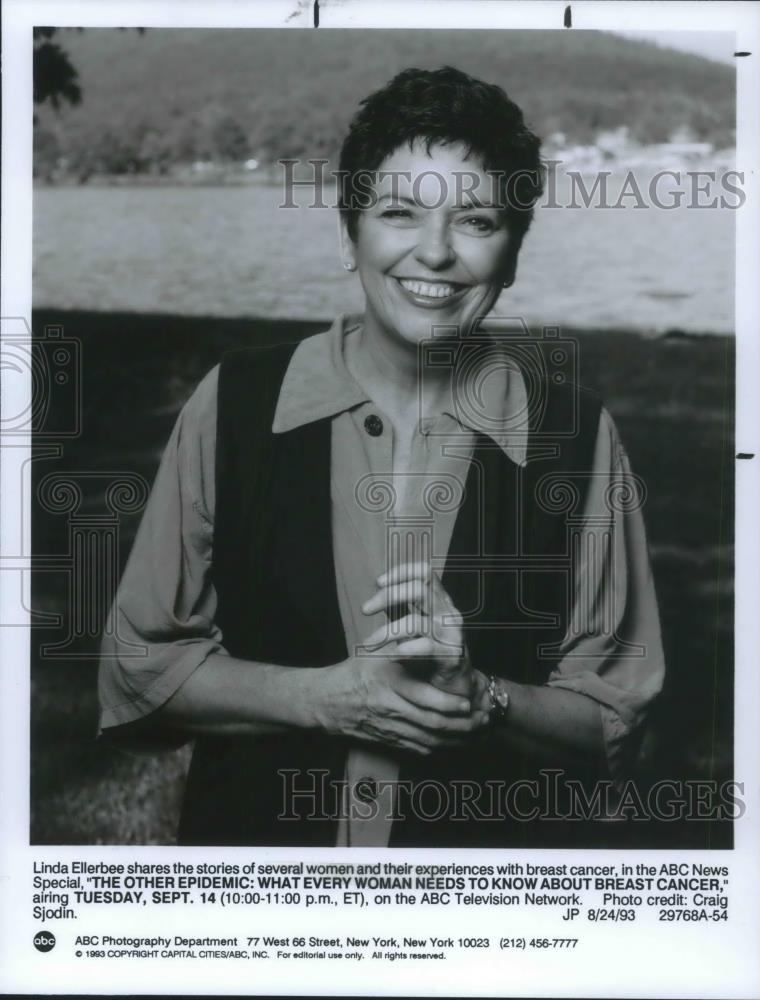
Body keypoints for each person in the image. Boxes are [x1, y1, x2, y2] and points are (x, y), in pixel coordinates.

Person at [98, 66, 665, 847]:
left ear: (515, 252)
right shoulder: (233, 404)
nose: (434, 253)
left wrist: (482, 697)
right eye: (399, 212)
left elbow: (613, 724)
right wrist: (323, 699)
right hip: (259, 912)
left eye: (476, 221)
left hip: (478, 926)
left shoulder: (577, 436)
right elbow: (140, 668)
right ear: (347, 234)